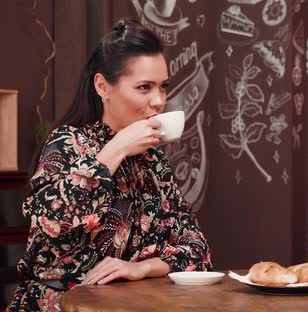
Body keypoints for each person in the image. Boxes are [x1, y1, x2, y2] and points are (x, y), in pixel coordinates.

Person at [8, 18, 212, 311]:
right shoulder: (67, 142)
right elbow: (54, 221)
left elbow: (197, 250)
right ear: (103, 86)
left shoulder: (152, 160)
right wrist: (115, 149)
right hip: (60, 305)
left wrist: (140, 268)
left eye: (163, 87)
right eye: (144, 87)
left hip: (126, 304)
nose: (158, 101)